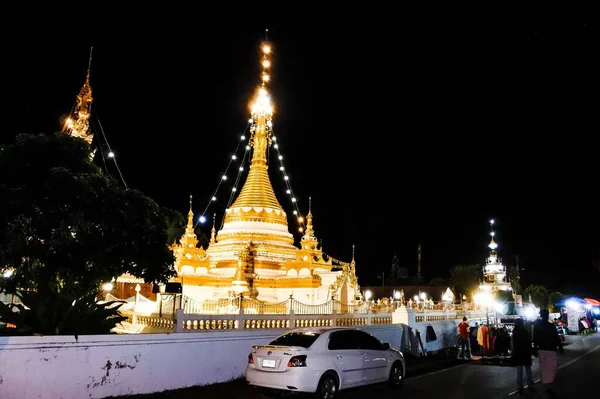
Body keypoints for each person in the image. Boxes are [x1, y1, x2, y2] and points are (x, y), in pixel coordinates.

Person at [533, 309, 564, 396]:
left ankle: (546, 384)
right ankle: (548, 384)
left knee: (544, 367)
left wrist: (534, 349)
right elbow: (556, 337)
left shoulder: (537, 326)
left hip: (542, 349)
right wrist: (560, 348)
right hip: (551, 349)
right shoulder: (551, 326)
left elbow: (535, 338)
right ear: (547, 316)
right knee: (551, 367)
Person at [512, 318, 535, 394]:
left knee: (519, 372)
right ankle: (530, 385)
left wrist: (513, 353)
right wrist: (532, 351)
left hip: (518, 354)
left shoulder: (514, 332)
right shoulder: (525, 332)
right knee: (528, 370)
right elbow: (529, 343)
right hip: (526, 353)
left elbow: (513, 345)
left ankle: (520, 387)